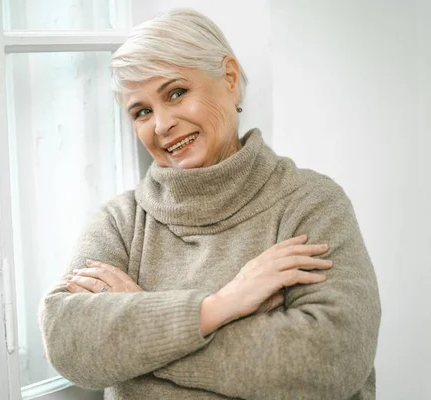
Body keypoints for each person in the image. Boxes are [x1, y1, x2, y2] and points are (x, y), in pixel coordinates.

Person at [39, 8, 381, 400]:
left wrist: (140, 328)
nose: (162, 124)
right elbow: (67, 339)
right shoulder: (121, 221)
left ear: (230, 79)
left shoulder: (310, 204)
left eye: (176, 93)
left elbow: (327, 361)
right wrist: (221, 305)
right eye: (142, 111)